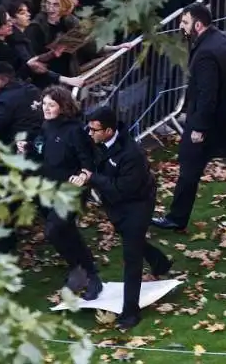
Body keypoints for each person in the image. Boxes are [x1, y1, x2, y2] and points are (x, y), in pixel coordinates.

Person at [152, 3, 226, 231]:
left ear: (198, 24)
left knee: (189, 166)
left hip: (213, 122)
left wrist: (199, 128)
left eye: (185, 22)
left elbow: (207, 94)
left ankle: (176, 218)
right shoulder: (225, 38)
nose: (181, 26)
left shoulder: (205, 53)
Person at [70, 107, 172, 330]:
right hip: (115, 205)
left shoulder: (131, 154)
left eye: (94, 130)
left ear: (107, 131)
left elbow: (121, 189)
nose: (89, 133)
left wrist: (92, 177)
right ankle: (160, 262)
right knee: (131, 240)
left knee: (131, 257)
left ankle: (130, 312)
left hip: (137, 204)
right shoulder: (95, 138)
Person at [18, 86, 102, 299]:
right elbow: (44, 154)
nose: (46, 108)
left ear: (62, 107)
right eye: (44, 104)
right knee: (65, 232)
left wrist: (83, 176)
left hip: (70, 191)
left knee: (54, 230)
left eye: (51, 105)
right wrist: (28, 148)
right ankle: (79, 267)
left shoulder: (74, 130)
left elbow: (88, 160)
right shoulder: (47, 126)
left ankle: (91, 275)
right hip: (48, 188)